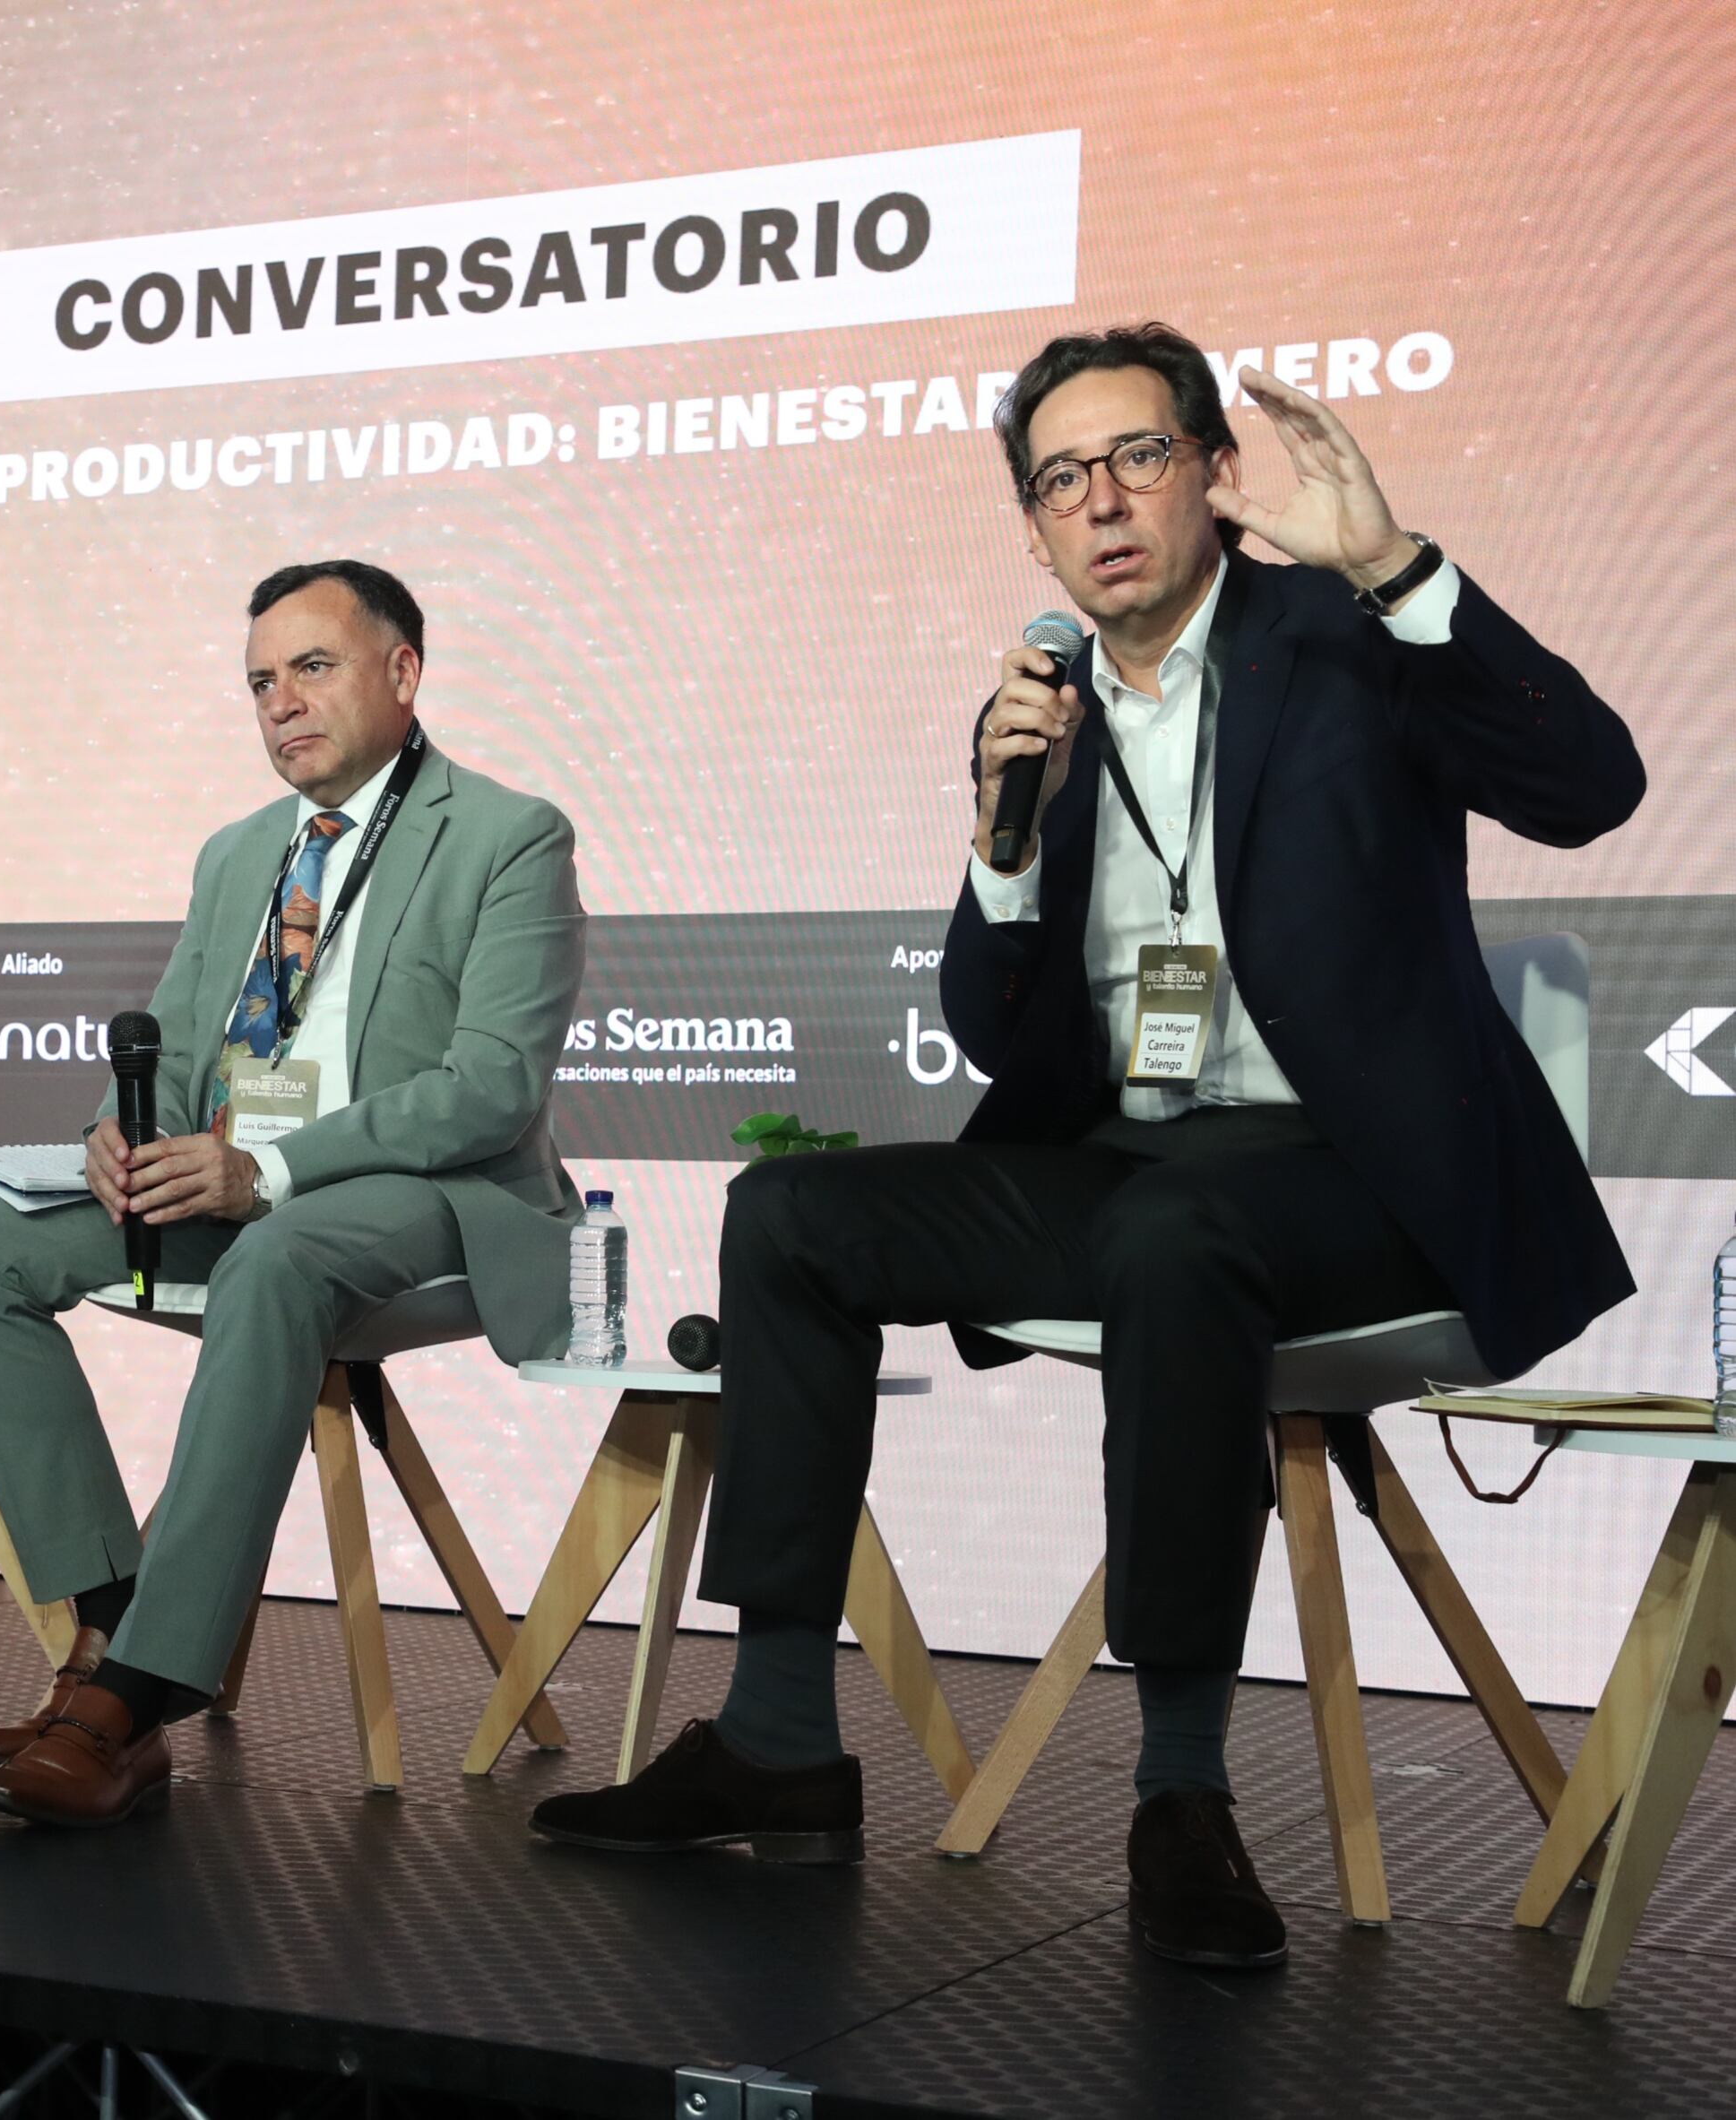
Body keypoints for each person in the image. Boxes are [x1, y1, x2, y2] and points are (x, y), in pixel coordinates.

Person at [528, 324, 1645, 1968]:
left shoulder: (1341, 639)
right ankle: (774, 1736)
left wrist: (1395, 567)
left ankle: (1179, 1789)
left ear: (1213, 472)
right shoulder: (1043, 716)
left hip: (1362, 1180)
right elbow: (997, 1033)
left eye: (1136, 457)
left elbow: (1590, 786)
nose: (1102, 502)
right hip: (1138, 1164)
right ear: (1033, 529)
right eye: (1060, 480)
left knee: (1173, 1233)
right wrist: (1004, 845)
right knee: (790, 1215)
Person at [0, 558, 585, 1828]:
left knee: (281, 1255)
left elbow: (489, 1088)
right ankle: (113, 1618)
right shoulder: (237, 854)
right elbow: (171, 1045)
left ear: (401, 670)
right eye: (260, 681)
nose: (281, 701)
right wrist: (118, 1134)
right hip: (233, 1179)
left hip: (422, 1191)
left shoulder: (508, 834)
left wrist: (268, 1168)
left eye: (312, 667)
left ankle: (143, 1693)